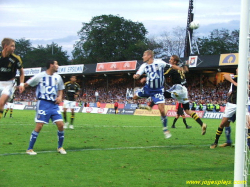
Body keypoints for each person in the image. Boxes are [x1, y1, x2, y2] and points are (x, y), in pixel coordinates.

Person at [147, 55, 207, 135]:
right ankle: (202, 124)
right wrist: (187, 64)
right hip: (184, 90)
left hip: (178, 88)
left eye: (171, 59)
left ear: (175, 62)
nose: (169, 60)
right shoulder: (180, 67)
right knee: (187, 111)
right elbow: (186, 69)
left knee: (160, 94)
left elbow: (163, 75)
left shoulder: (173, 68)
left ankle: (150, 106)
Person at [133, 50, 181, 139]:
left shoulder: (159, 63)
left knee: (162, 110)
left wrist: (180, 69)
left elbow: (171, 66)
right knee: (134, 97)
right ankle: (143, 102)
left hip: (158, 90)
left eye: (144, 55)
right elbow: (138, 74)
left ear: (150, 56)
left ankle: (165, 129)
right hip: (147, 88)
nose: (142, 57)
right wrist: (137, 76)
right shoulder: (144, 66)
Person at [24, 60, 66, 155]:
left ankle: (60, 147)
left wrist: (59, 97)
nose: (57, 66)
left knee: (61, 124)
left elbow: (61, 88)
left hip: (54, 105)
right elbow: (29, 83)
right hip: (43, 103)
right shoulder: (40, 76)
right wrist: (22, 86)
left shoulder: (58, 77)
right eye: (56, 64)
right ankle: (29, 149)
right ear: (51, 65)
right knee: (39, 126)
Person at [210, 69, 238, 149]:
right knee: (224, 123)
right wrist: (235, 83)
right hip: (232, 104)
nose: (237, 69)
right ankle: (218, 142)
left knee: (246, 124)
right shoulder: (235, 77)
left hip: (243, 104)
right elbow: (226, 75)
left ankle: (245, 143)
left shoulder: (246, 77)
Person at [0, 38, 25, 120]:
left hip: (9, 84)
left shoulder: (15, 59)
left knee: (1, 103)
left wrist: (21, 84)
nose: (14, 48)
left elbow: (21, 72)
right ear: (5, 46)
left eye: (14, 46)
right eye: (12, 46)